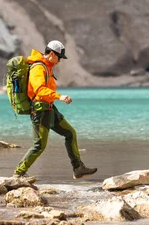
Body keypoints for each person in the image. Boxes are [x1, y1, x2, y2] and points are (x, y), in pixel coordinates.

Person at [13, 40, 97, 180]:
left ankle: (78, 168)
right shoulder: (38, 68)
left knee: (70, 133)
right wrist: (60, 96)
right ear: (52, 54)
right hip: (40, 110)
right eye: (59, 57)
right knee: (39, 145)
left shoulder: (47, 67)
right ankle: (19, 173)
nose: (59, 61)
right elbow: (39, 90)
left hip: (50, 108)